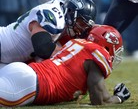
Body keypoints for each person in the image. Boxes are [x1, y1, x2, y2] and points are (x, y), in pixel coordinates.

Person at [0, 25, 131, 107]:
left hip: (23, 71)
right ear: (108, 45)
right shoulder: (98, 53)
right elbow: (100, 101)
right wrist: (119, 97)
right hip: (28, 84)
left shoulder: (75, 43)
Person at [0, 0, 96, 66]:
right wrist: (73, 55)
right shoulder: (54, 16)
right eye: (81, 23)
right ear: (71, 12)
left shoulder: (63, 16)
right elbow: (43, 48)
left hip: (6, 60)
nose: (81, 28)